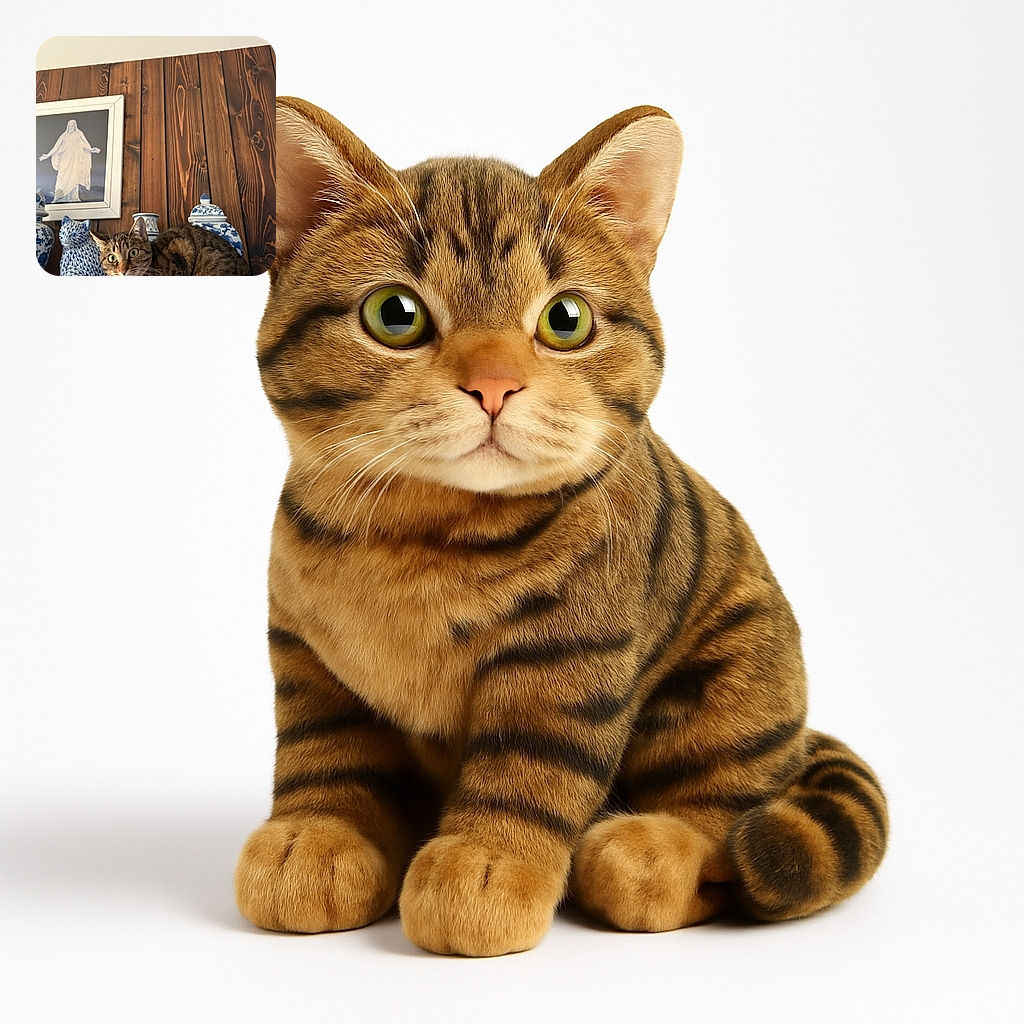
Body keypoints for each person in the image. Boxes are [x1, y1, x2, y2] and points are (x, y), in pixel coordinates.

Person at [39, 119, 101, 203]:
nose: (71, 127)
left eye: (73, 125)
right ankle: (58, 197)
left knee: (74, 178)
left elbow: (84, 144)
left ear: (75, 126)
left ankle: (73, 198)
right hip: (64, 161)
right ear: (67, 126)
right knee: (61, 178)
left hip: (75, 162)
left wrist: (91, 150)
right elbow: (56, 147)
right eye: (70, 125)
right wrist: (47, 155)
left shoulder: (78, 134)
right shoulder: (63, 136)